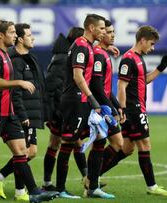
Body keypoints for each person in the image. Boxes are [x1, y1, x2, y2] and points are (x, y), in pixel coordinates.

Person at [0, 19, 58, 203]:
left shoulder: (6, 54)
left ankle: (33, 192)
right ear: (0, 35)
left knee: (21, 150)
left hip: (9, 112)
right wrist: (19, 82)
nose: (15, 35)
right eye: (11, 32)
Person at [0, 23, 45, 201]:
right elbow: (15, 92)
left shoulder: (29, 58)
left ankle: (0, 178)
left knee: (30, 152)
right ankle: (20, 190)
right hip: (21, 112)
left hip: (32, 111)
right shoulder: (14, 60)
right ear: (20, 38)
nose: (33, 37)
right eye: (29, 35)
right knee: (22, 152)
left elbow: (38, 87)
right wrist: (22, 114)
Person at [59, 14, 115, 199]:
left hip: (83, 100)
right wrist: (92, 99)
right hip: (75, 100)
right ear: (91, 28)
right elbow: (77, 75)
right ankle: (59, 188)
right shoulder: (81, 46)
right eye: (100, 28)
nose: (103, 31)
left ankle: (93, 186)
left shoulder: (89, 46)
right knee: (68, 141)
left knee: (100, 137)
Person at [117, 25, 167, 196]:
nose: (153, 47)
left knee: (127, 148)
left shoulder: (139, 58)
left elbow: (143, 80)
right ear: (142, 40)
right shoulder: (128, 59)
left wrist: (160, 68)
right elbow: (121, 86)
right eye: (151, 43)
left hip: (137, 107)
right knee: (144, 144)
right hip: (133, 109)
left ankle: (92, 176)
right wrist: (123, 110)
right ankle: (152, 186)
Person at [42, 27, 86, 193]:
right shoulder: (63, 58)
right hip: (60, 111)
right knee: (58, 143)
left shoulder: (64, 55)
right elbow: (51, 86)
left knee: (71, 142)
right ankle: (85, 178)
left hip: (64, 109)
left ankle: (86, 177)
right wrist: (53, 112)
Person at [89, 19, 125, 179]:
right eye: (107, 32)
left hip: (103, 105)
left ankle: (91, 179)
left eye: (112, 32)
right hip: (98, 107)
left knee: (103, 143)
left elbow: (106, 88)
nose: (111, 35)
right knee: (116, 143)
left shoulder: (103, 53)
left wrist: (117, 106)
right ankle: (90, 179)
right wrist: (110, 108)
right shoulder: (98, 55)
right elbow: (96, 86)